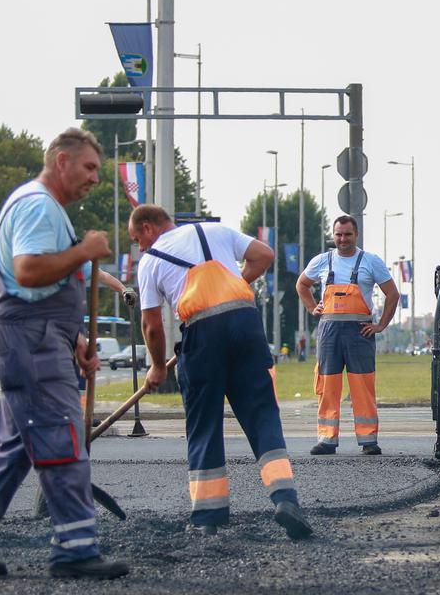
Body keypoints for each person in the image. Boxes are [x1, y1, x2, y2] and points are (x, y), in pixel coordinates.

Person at [0, 129, 128, 579]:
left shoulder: (41, 206)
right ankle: (76, 551)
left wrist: (74, 341)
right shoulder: (39, 205)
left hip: (35, 338)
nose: (95, 179)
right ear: (62, 161)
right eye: (89, 168)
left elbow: (39, 288)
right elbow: (29, 269)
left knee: (16, 448)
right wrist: (84, 252)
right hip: (30, 341)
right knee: (62, 440)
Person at [129, 204, 311, 540]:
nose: (139, 247)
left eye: (137, 238)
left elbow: (151, 326)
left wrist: (156, 367)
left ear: (148, 227)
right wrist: (233, 286)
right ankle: (286, 499)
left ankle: (208, 516)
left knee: (204, 422)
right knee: (262, 415)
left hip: (201, 334)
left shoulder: (152, 260)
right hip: (246, 323)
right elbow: (264, 255)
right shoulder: (214, 230)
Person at [295, 215, 400, 456]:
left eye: (347, 234)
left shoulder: (371, 262)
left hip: (359, 333)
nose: (342, 239)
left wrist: (380, 325)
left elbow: (392, 295)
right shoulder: (322, 261)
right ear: (334, 236)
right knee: (327, 385)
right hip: (328, 333)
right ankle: (326, 440)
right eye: (338, 234)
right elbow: (302, 284)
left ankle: (368, 440)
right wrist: (312, 308)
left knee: (362, 385)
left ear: (356, 235)